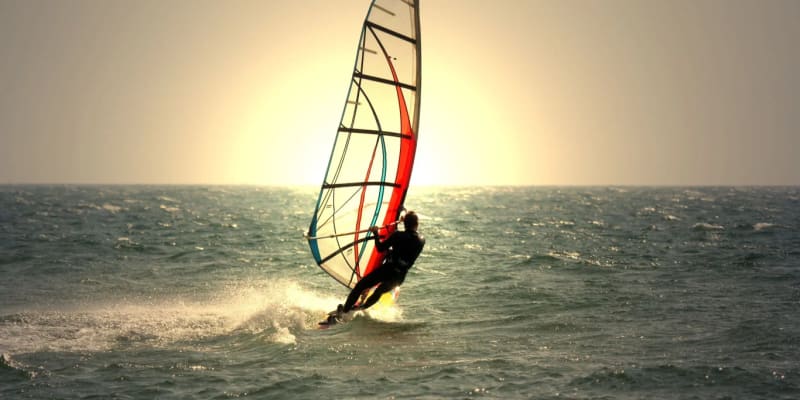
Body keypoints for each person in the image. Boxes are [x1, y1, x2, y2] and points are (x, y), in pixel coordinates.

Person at [338, 211, 425, 315]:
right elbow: (407, 240)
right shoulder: (421, 240)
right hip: (399, 276)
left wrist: (376, 233)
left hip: (387, 270)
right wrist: (404, 221)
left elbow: (380, 248)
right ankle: (360, 308)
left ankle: (345, 311)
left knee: (360, 286)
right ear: (417, 224)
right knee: (379, 292)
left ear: (405, 223)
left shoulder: (397, 235)